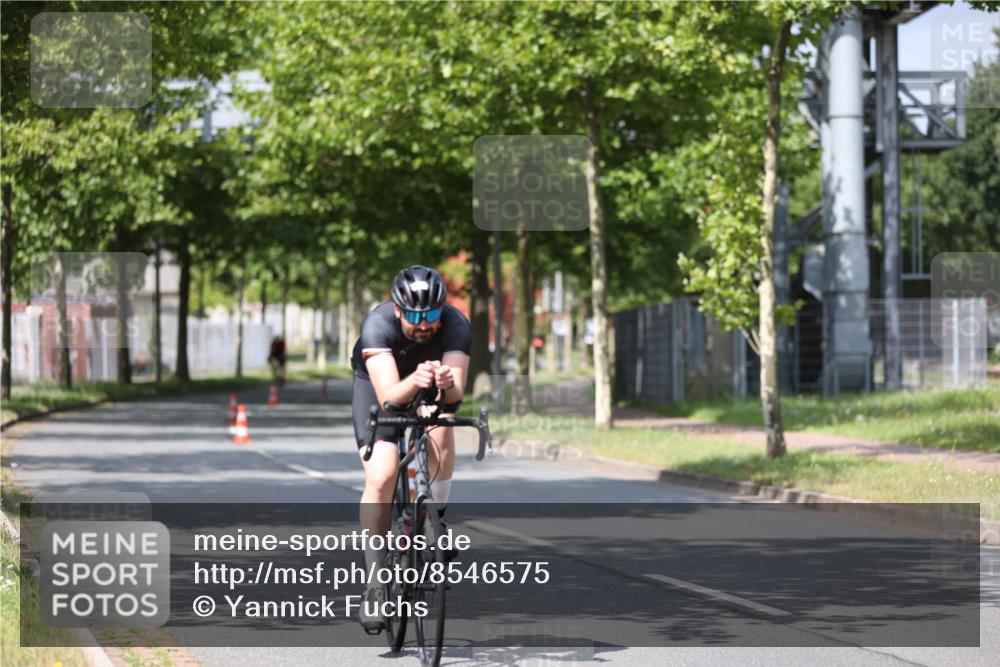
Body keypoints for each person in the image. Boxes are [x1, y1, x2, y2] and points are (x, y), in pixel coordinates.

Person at [350, 265, 471, 633]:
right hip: (380, 387)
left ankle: (437, 515)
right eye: (415, 316)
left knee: (442, 427)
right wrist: (415, 380)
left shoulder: (456, 325)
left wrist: (446, 384)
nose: (424, 324)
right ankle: (374, 586)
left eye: (431, 314)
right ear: (398, 310)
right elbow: (388, 399)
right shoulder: (378, 325)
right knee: (383, 474)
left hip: (426, 384)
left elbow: (456, 397)